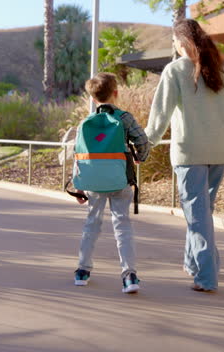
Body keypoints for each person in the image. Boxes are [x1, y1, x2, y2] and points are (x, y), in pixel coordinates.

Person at [145, 19, 224, 292]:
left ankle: (207, 276)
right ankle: (193, 263)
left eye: (174, 41)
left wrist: (145, 144)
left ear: (181, 42)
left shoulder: (174, 70)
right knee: (202, 212)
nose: (173, 45)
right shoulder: (220, 72)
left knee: (197, 216)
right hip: (220, 149)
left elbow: (160, 116)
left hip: (190, 152)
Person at [73, 72, 150, 294]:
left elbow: (78, 154)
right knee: (122, 225)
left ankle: (82, 271)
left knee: (91, 224)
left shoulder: (85, 123)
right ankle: (129, 275)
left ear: (93, 97)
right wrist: (139, 157)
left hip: (94, 182)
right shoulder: (124, 117)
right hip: (120, 179)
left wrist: (78, 185)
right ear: (115, 93)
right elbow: (142, 141)